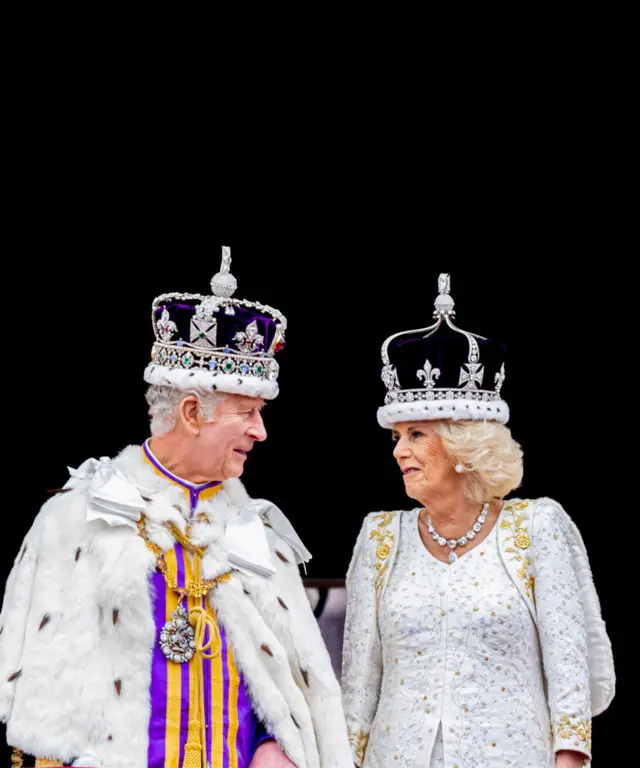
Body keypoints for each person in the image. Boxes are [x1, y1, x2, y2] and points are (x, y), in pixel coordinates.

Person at [1, 246, 351, 768]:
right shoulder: (78, 516)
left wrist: (276, 749)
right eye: (247, 412)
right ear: (191, 412)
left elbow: (285, 688)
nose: (260, 431)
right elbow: (41, 695)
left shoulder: (257, 535)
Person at [342, 273, 614, 767]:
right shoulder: (379, 537)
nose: (399, 451)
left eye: (417, 434)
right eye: (397, 437)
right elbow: (359, 685)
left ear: (464, 446)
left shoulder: (536, 528)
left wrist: (570, 759)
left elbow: (570, 670)